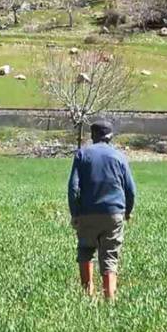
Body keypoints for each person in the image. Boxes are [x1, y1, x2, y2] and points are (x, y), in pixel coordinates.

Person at [68, 118, 137, 300]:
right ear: (110, 137)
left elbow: (73, 187)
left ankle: (88, 293)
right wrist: (127, 212)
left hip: (87, 212)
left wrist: (75, 213)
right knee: (110, 255)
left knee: (86, 250)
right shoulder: (119, 157)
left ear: (93, 135)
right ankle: (109, 297)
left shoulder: (82, 154)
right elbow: (130, 189)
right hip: (114, 213)